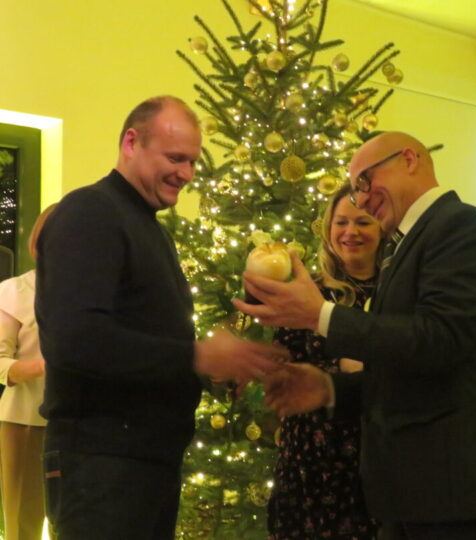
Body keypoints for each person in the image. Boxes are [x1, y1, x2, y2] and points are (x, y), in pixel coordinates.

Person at [234, 131, 476, 540]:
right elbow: (408, 372)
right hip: (414, 497)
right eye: (354, 192)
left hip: (459, 496)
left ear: (409, 159)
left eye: (365, 181)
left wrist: (320, 315)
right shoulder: (405, 247)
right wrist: (328, 390)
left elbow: (438, 341)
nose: (361, 200)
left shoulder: (462, 227)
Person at [35, 95, 287, 540]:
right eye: (175, 158)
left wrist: (212, 371)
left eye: (192, 162)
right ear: (131, 142)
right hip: (102, 464)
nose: (186, 174)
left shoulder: (149, 227)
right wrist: (197, 357)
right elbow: (76, 340)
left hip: (143, 464)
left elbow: (142, 336)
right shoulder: (90, 212)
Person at [268, 185, 381, 540]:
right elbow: (282, 366)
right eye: (341, 222)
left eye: (363, 222)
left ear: (382, 228)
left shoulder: (397, 292)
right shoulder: (308, 291)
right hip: (311, 459)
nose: (350, 232)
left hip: (376, 456)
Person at [0, 204, 56, 540]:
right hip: (25, 422)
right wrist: (44, 366)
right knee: (23, 524)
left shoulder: (96, 292)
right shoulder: (14, 292)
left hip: (85, 423)